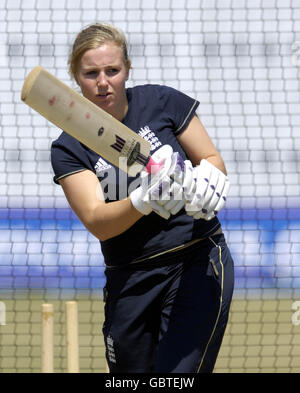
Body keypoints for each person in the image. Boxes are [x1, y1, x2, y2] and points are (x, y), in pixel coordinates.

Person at [51, 23, 234, 373]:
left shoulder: (162, 102)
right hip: (129, 277)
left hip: (196, 260)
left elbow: (211, 160)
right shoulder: (69, 146)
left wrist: (205, 180)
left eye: (112, 70)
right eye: (91, 73)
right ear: (76, 77)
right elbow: (96, 220)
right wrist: (143, 199)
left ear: (127, 70)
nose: (103, 82)